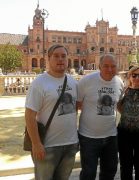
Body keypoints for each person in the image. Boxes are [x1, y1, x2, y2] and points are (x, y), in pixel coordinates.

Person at [25, 44, 78, 179]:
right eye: (56, 56)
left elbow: (78, 106)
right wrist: (36, 144)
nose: (60, 59)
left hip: (70, 145)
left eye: (63, 56)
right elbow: (29, 116)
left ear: (67, 59)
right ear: (49, 59)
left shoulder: (73, 82)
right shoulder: (39, 83)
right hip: (47, 146)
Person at [77, 54, 124, 180]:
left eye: (113, 66)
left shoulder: (119, 82)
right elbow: (77, 105)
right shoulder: (86, 81)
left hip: (111, 136)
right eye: (106, 66)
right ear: (99, 66)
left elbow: (118, 105)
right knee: (88, 173)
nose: (110, 69)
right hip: (88, 137)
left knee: (110, 170)